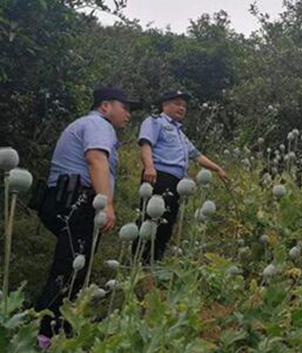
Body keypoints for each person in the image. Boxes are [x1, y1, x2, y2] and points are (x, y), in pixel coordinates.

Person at [34, 88, 140, 349]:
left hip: (64, 199)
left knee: (72, 266)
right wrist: (107, 205)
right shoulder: (98, 124)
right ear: (105, 106)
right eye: (125, 107)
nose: (128, 114)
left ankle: (59, 324)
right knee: (69, 268)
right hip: (76, 201)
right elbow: (95, 160)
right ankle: (44, 335)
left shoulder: (86, 124)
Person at [136, 90, 226, 262]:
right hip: (158, 177)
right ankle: (137, 261)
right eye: (177, 104)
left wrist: (218, 168)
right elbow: (146, 143)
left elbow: (197, 156)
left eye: (184, 106)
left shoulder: (180, 134)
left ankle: (154, 263)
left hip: (177, 182)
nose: (182, 108)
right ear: (165, 105)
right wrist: (149, 167)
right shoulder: (155, 122)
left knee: (167, 222)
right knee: (150, 220)